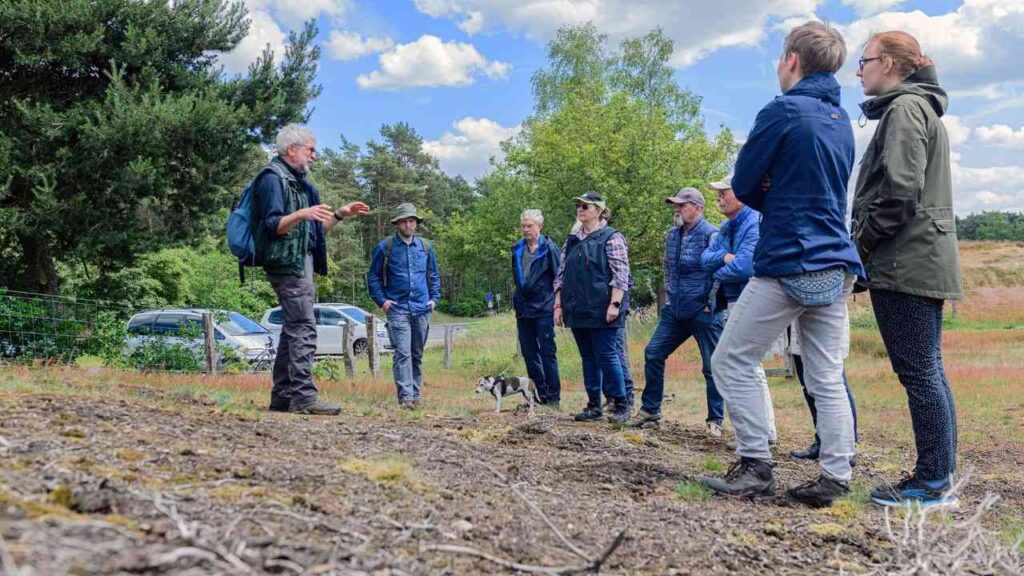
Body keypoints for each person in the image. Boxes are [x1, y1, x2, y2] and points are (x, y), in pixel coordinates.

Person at [701, 21, 864, 508]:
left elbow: (745, 183)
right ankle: (835, 477)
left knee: (731, 359)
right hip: (836, 260)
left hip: (791, 257)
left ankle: (755, 465)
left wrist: (772, 186)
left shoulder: (783, 111)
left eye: (779, 57)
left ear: (792, 59)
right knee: (826, 374)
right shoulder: (841, 121)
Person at [852, 31, 962, 508]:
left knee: (919, 373)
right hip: (917, 257)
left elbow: (899, 192)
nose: (859, 71)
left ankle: (934, 482)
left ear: (892, 65)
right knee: (928, 371)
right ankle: (940, 476)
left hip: (905, 260)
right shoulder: (918, 107)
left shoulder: (904, 109)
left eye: (865, 61)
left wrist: (860, 248)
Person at [256, 124, 370, 415]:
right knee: (304, 327)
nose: (315, 156)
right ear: (291, 149)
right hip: (286, 264)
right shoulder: (272, 178)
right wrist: (302, 213)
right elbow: (271, 227)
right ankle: (304, 397)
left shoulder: (300, 184)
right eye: (311, 149)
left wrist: (339, 215)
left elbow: (314, 236)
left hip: (300, 261)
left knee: (293, 329)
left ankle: (282, 396)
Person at [630, 188, 723, 435]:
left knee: (712, 366)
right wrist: (670, 297)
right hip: (676, 310)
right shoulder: (672, 235)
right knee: (653, 353)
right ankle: (650, 410)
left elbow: (719, 272)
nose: (677, 209)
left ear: (698, 208)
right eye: (676, 205)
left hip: (703, 311)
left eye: (682, 205)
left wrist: (710, 302)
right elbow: (668, 267)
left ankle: (715, 420)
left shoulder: (712, 234)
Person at [701, 177, 776, 441]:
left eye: (724, 192)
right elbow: (704, 259)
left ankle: (763, 432)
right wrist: (723, 257)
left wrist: (718, 271)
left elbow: (745, 266)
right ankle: (758, 431)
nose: (719, 198)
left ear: (742, 194)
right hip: (734, 300)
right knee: (739, 364)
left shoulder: (753, 222)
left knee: (745, 364)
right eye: (717, 194)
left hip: (751, 298)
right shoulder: (726, 227)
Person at [553, 192, 631, 424]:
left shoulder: (611, 237)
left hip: (603, 308)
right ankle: (593, 405)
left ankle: (621, 403)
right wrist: (558, 305)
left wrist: (615, 304)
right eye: (579, 205)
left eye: (586, 206)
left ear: (598, 211)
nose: (580, 209)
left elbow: (621, 275)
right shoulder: (572, 239)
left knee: (607, 356)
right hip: (576, 308)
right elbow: (561, 274)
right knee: (587, 357)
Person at [367, 203, 442, 409]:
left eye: (411, 221)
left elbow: (434, 275)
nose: (408, 225)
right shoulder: (386, 247)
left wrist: (434, 298)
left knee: (416, 353)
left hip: (422, 308)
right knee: (402, 353)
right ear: (397, 224)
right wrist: (382, 301)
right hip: (397, 309)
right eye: (404, 221)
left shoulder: (426, 247)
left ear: (416, 223)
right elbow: (372, 276)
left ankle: (416, 396)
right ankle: (406, 398)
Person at [788, 313, 859, 461]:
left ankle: (845, 446)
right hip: (797, 323)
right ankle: (822, 441)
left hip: (824, 321)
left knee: (832, 386)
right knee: (808, 386)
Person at [511, 209, 562, 409]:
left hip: (544, 307)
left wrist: (558, 305)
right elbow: (518, 279)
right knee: (529, 353)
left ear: (539, 226)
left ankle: (553, 397)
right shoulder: (516, 249)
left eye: (529, 225)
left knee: (547, 353)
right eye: (523, 226)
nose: (526, 229)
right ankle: (537, 395)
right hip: (523, 310)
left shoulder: (549, 248)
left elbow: (559, 278)